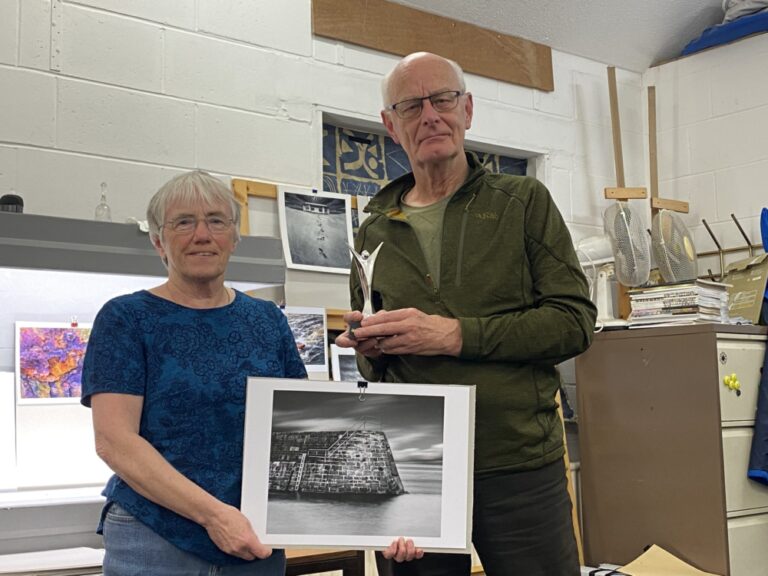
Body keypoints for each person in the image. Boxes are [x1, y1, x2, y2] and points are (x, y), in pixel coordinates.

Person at [335, 52, 597, 575]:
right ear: (392, 126)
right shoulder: (373, 228)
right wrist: (369, 348)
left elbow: (574, 322)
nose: (430, 114)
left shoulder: (522, 201)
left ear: (467, 109)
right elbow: (375, 368)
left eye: (443, 98)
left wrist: (455, 335)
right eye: (411, 105)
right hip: (416, 468)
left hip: (518, 463)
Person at [81, 170, 307, 575]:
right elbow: (114, 440)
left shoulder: (267, 320)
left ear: (234, 238)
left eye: (216, 221)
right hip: (156, 541)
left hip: (254, 540)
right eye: (183, 222)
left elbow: (297, 427)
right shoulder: (126, 319)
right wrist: (215, 517)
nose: (202, 234)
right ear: (158, 242)